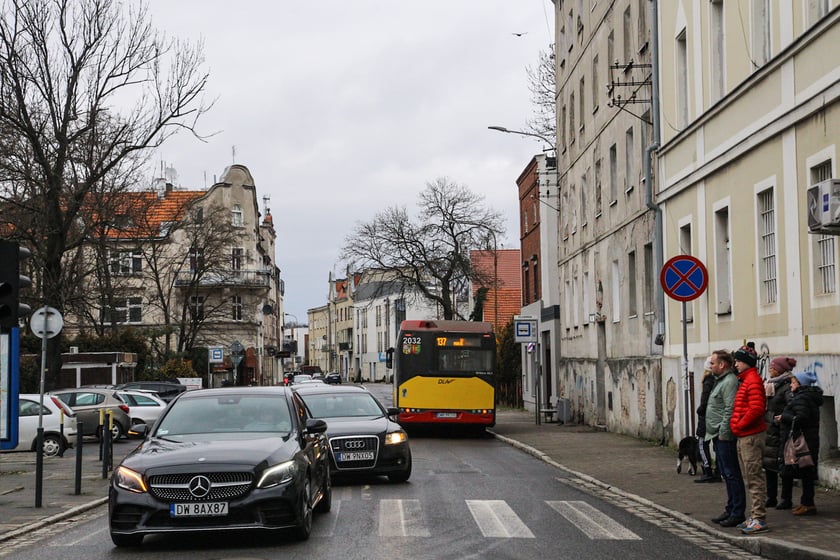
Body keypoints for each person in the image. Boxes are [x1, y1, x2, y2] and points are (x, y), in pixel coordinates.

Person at [730, 342, 769, 535]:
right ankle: (754, 516)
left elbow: (756, 409)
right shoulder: (746, 379)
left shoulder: (752, 380)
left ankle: (759, 518)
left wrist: (739, 424)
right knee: (750, 477)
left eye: (738, 360)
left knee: (754, 477)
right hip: (745, 435)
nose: (735, 363)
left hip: (751, 436)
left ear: (747, 362)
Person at [705, 350, 746, 528]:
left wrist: (723, 431)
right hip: (716, 434)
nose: (710, 366)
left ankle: (737, 512)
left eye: (713, 363)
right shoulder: (721, 381)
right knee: (726, 474)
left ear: (722, 365)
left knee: (731, 474)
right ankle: (730, 508)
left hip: (724, 435)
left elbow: (730, 408)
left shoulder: (729, 382)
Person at [777, 369, 824, 516]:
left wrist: (784, 417)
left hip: (803, 440)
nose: (791, 385)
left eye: (793, 382)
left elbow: (801, 418)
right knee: (806, 471)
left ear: (799, 384)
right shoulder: (807, 396)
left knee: (805, 471)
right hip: (809, 439)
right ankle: (806, 502)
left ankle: (808, 504)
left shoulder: (801, 398)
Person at [763, 356, 795, 509]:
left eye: (772, 367)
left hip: (781, 430)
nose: (770, 370)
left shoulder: (787, 386)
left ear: (780, 370)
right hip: (770, 430)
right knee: (769, 465)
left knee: (783, 465)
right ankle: (771, 497)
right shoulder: (771, 384)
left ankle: (786, 499)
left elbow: (791, 407)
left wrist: (778, 419)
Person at [695, 356, 721, 483]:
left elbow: (705, 399)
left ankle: (707, 470)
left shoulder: (708, 381)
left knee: (702, 443)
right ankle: (718, 471)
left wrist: (700, 410)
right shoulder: (718, 380)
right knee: (716, 444)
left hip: (706, 418)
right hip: (715, 418)